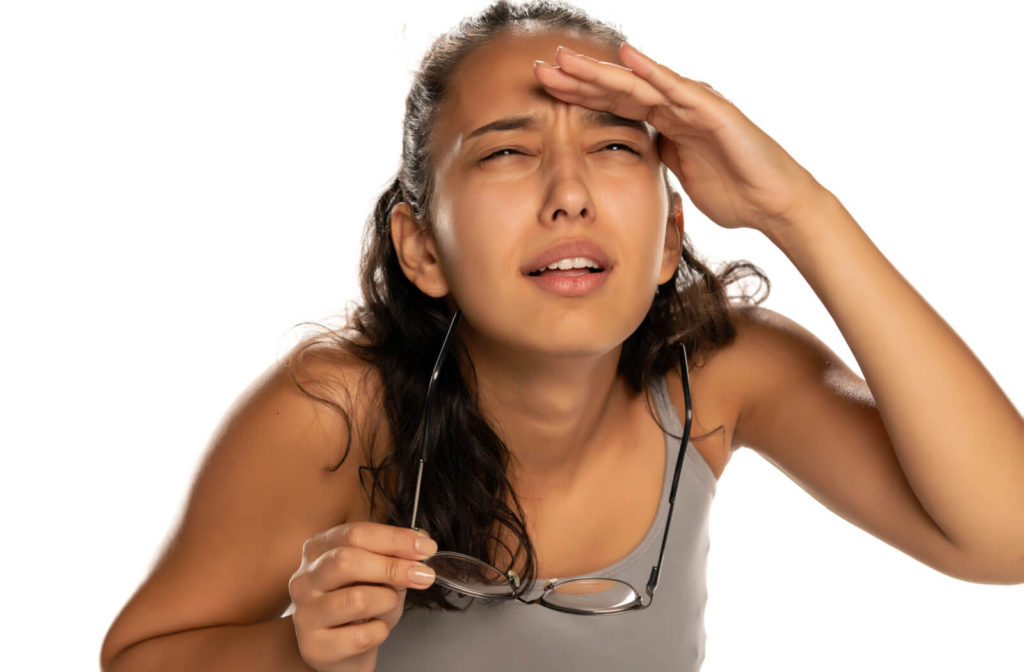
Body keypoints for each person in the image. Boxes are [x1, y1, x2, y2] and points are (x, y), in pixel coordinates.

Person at [99, 1, 1024, 670]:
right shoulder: (336, 408)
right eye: (507, 150)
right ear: (422, 247)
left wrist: (799, 211)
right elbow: (138, 657)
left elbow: (1006, 536)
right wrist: (291, 652)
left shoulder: (722, 379)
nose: (570, 191)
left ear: (669, 237)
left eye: (617, 145)